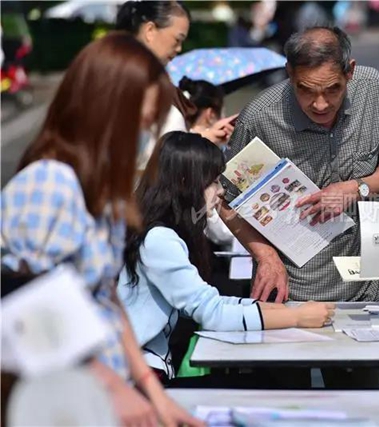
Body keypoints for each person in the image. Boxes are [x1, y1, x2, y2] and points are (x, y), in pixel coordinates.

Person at [0, 33, 202, 427]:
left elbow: (105, 299)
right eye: (143, 124)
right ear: (104, 110)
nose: (147, 139)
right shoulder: (49, 182)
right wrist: (112, 386)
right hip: (58, 401)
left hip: (100, 398)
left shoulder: (104, 197)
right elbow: (32, 302)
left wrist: (149, 389)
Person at [221, 25, 379, 388]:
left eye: (332, 90)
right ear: (290, 75)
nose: (320, 104)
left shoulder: (373, 91)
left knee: (361, 406)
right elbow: (227, 202)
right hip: (286, 296)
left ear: (350, 72)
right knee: (285, 404)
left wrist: (357, 187)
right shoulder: (261, 116)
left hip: (360, 292)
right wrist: (266, 257)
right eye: (306, 91)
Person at [118, 131, 335, 382]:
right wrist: (296, 317)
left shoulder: (152, 231)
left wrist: (278, 310)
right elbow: (211, 312)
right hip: (139, 380)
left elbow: (208, 303)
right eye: (213, 182)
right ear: (186, 182)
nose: (220, 191)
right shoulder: (159, 240)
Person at [115, 0, 236, 174]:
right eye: (177, 39)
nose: (179, 48)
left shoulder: (150, 76)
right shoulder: (127, 77)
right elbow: (137, 152)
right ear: (150, 30)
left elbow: (158, 143)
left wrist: (201, 136)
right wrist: (198, 140)